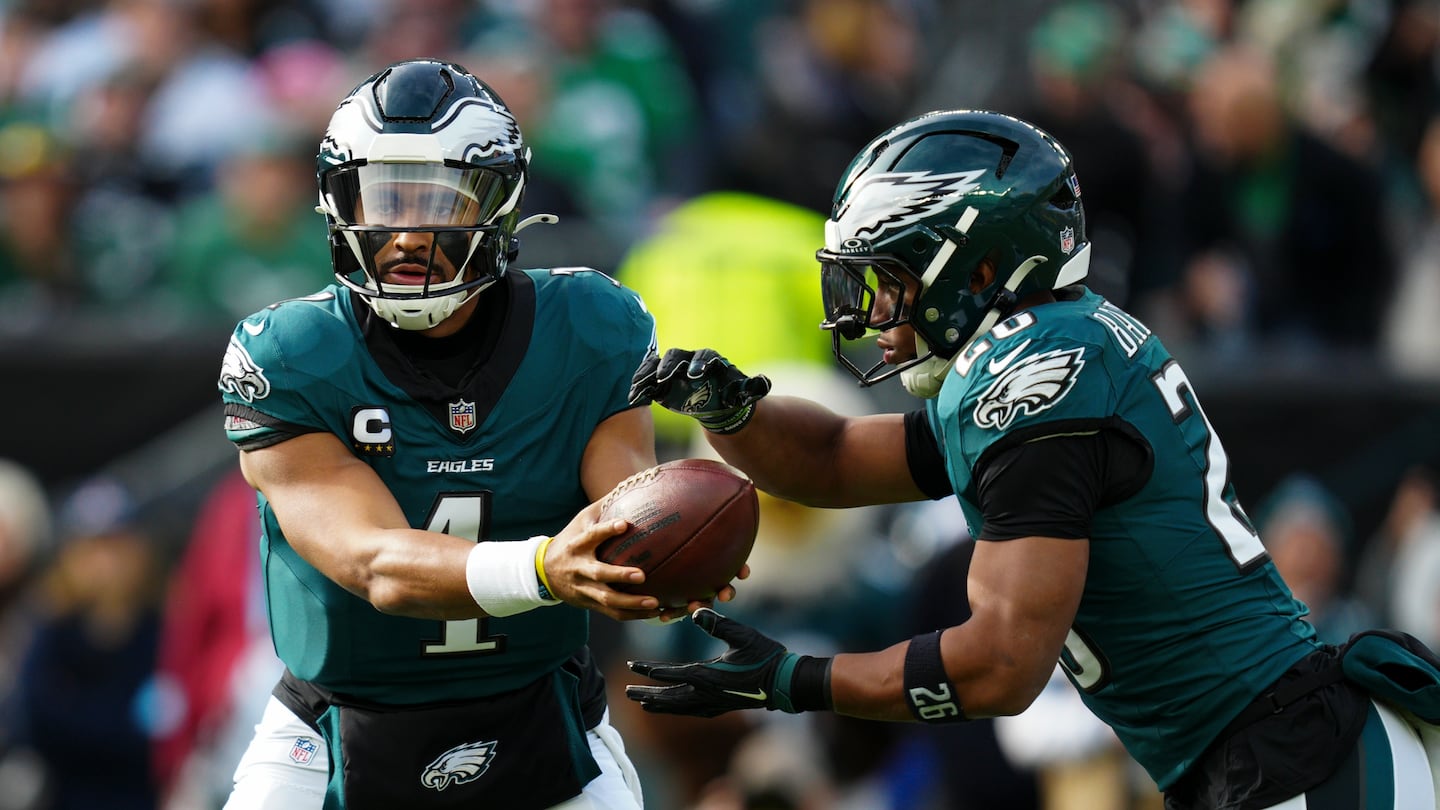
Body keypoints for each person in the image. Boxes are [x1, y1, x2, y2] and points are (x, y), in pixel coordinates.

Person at [625, 109, 1440, 808]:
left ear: (978, 268)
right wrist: (731, 412)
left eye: (888, 283)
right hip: (1264, 750)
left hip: (1292, 756)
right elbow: (834, 457)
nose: (871, 318)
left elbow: (1002, 666)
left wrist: (798, 682)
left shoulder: (1034, 379)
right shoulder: (1040, 350)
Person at [215, 58, 713, 810]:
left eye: (436, 201)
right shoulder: (289, 354)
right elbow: (373, 562)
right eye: (381, 199)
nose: (405, 234)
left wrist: (666, 559)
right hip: (333, 727)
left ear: (499, 202)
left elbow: (629, 510)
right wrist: (544, 569)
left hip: (546, 720)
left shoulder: (589, 327)